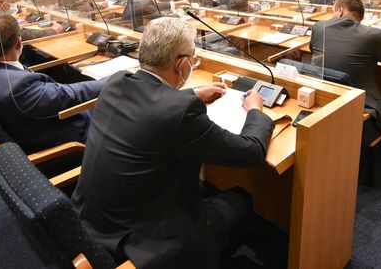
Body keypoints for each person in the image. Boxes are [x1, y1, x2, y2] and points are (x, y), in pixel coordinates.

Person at [72, 17, 273, 269]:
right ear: (182, 64)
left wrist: (193, 93)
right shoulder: (181, 112)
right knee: (241, 198)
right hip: (142, 242)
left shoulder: (117, 81)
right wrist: (255, 110)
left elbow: (152, 102)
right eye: (193, 59)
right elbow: (251, 152)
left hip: (88, 220)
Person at [0, 11, 106, 153]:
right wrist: (111, 80)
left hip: (23, 125)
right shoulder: (17, 87)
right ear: (19, 43)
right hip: (67, 141)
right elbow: (71, 95)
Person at [310, 0, 381, 140]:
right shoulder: (374, 35)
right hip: (359, 103)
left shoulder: (319, 27)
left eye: (333, 11)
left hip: (322, 94)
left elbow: (314, 51)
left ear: (340, 11)